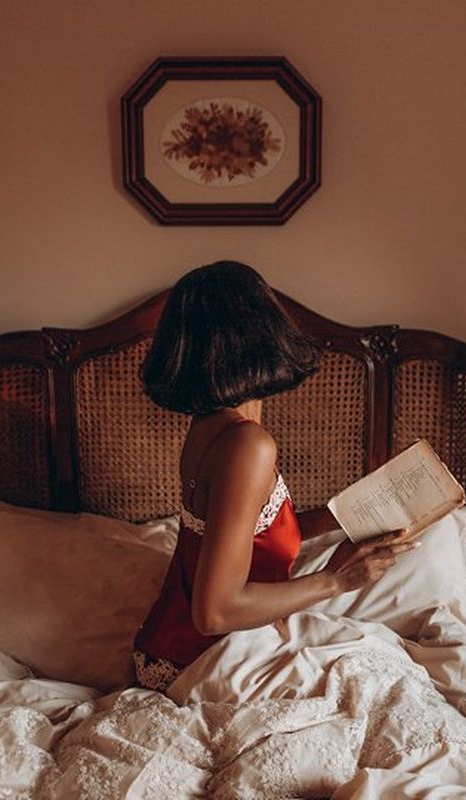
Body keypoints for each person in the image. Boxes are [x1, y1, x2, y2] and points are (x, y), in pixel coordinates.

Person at [132, 261, 417, 691]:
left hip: (165, 648)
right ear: (259, 335)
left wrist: (350, 513)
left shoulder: (209, 426)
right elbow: (214, 612)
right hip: (206, 658)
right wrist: (336, 580)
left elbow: (249, 535)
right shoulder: (248, 445)